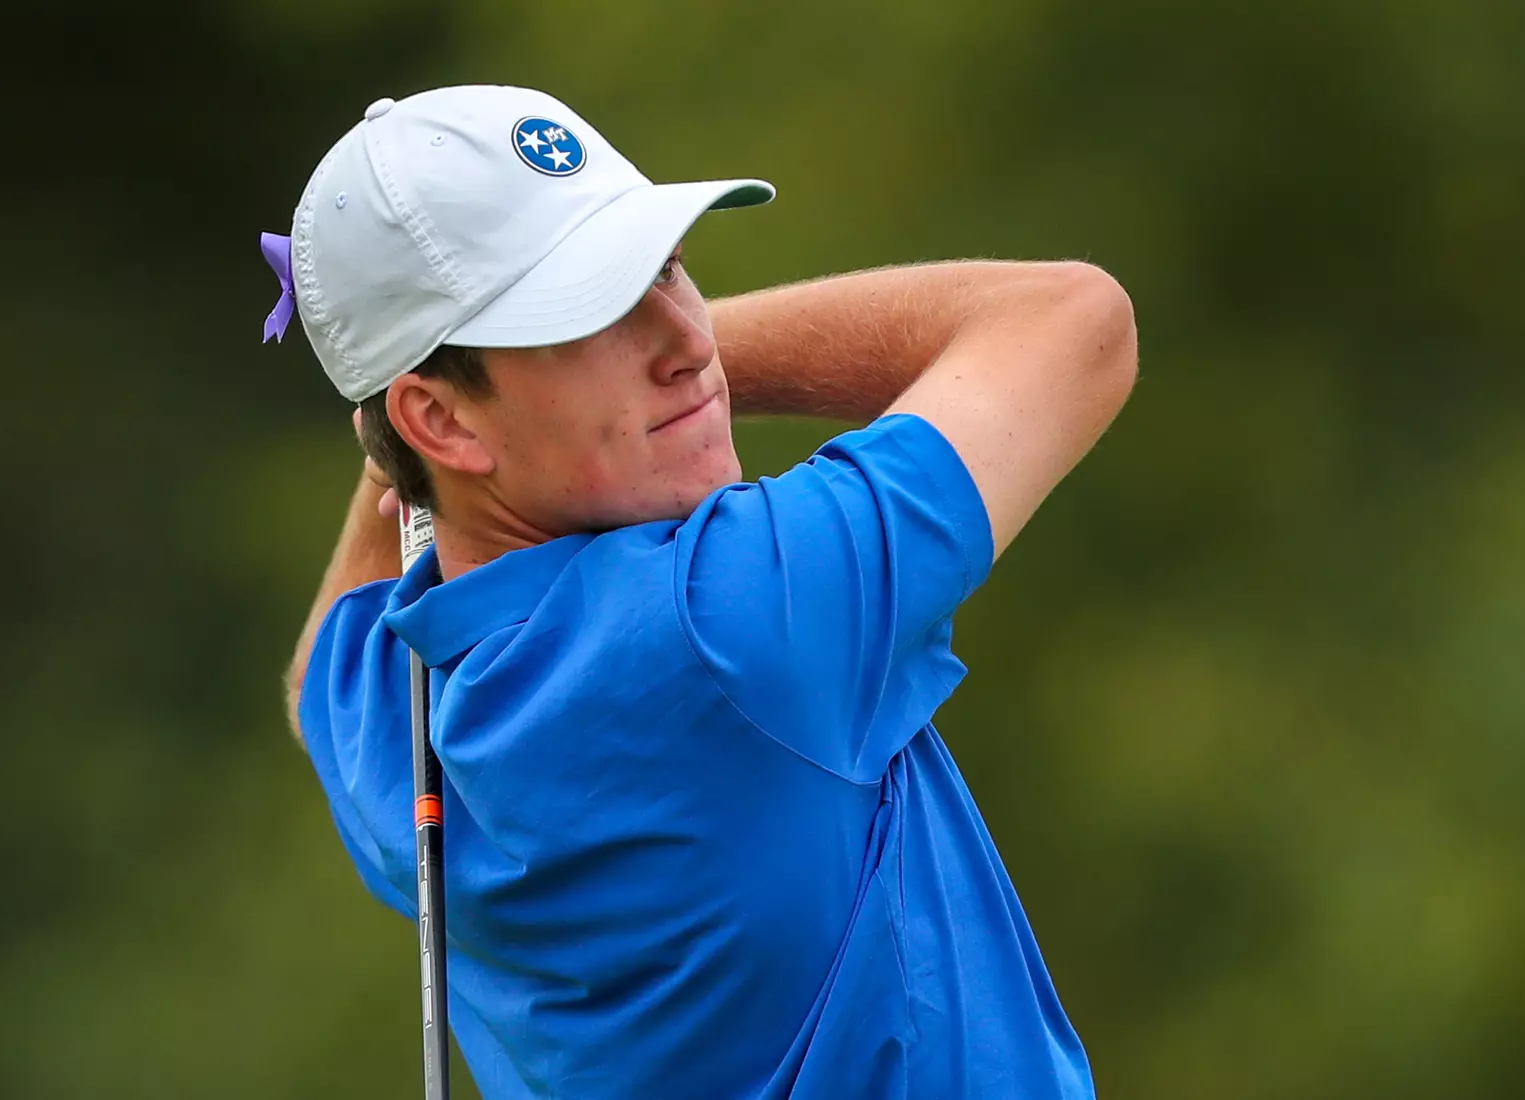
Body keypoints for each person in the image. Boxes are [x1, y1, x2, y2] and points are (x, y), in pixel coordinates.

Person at [265, 84, 1136, 1099]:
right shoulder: (723, 614)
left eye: (666, 267)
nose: (685, 340)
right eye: (587, 315)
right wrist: (399, 443)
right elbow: (1076, 319)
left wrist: (398, 439)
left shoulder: (396, 719)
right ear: (445, 423)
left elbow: (317, 667)